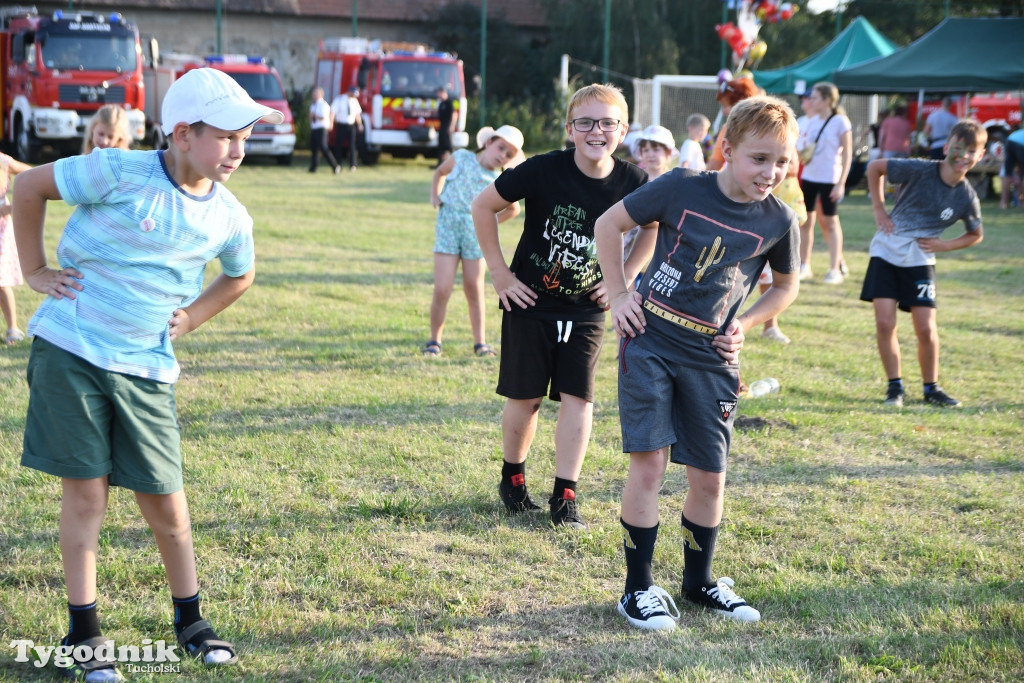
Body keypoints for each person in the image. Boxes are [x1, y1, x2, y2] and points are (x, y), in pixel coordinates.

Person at [12, 66, 281, 680]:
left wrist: (194, 316)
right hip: (72, 350)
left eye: (245, 139)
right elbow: (28, 187)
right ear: (183, 134)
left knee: (166, 502)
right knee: (86, 498)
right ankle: (85, 635)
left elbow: (240, 275)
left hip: (146, 370)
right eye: (227, 137)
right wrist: (33, 271)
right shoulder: (118, 169)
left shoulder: (229, 216)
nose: (238, 151)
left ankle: (191, 620)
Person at [593, 95, 800, 630]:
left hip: (713, 358)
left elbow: (787, 286)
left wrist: (745, 324)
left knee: (710, 476)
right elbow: (608, 226)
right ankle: (636, 590)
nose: (771, 172)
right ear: (726, 149)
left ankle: (699, 582)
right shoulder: (681, 185)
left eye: (782, 161)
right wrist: (619, 294)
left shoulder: (779, 219)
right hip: (650, 340)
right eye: (759, 159)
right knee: (652, 464)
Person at [471, 83, 654, 529]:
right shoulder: (542, 170)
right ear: (570, 128)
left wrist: (621, 280)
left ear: (623, 129)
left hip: (587, 309)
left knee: (579, 397)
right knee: (526, 398)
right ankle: (513, 478)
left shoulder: (634, 181)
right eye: (586, 122)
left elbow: (651, 227)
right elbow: (482, 207)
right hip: (529, 300)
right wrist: (500, 276)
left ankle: (564, 494)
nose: (597, 131)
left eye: (607, 122)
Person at [861, 120, 986, 409]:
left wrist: (945, 245)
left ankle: (931, 388)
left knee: (926, 329)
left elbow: (976, 234)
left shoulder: (967, 196)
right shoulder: (919, 169)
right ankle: (895, 388)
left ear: (980, 156)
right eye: (959, 148)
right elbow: (875, 167)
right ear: (946, 148)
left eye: (971, 151)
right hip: (886, 251)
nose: (964, 156)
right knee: (884, 322)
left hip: (919, 260)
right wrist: (879, 209)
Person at [424, 125, 525, 359]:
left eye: (509, 155)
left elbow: (513, 209)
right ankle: (434, 341)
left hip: (474, 237)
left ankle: (480, 343)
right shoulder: (461, 157)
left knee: (474, 288)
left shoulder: (498, 180)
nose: (502, 155)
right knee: (442, 288)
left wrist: (487, 223)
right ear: (488, 142)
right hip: (448, 229)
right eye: (501, 148)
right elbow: (439, 172)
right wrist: (434, 195)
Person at [797, 82, 852, 284]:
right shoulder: (812, 121)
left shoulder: (840, 121)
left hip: (830, 178)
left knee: (830, 222)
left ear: (828, 100)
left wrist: (841, 183)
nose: (811, 101)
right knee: (806, 222)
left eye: (816, 97)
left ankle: (834, 268)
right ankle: (804, 265)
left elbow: (847, 153)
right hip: (809, 176)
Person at [759, 150, 806, 344]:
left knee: (770, 276)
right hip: (758, 214)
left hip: (777, 220)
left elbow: (794, 168)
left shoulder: (789, 145)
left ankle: (770, 326)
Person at [0, 152, 32, 344]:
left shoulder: (3, 162)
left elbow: (31, 176)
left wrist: (11, 207)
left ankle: (13, 327)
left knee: (1, 281)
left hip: (0, 231)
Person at [706, 78, 759, 172]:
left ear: (740, 103)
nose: (723, 111)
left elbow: (714, 166)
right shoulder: (766, 125)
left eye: (725, 106)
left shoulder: (729, 128)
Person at [308, 87, 340, 174]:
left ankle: (335, 166)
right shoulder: (313, 105)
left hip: (322, 129)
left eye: (315, 93)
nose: (313, 95)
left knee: (324, 147)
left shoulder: (323, 105)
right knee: (314, 148)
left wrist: (314, 115)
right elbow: (310, 116)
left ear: (320, 94)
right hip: (314, 128)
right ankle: (313, 167)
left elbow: (323, 117)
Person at [331, 86, 363, 171]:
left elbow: (357, 114)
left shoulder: (355, 101)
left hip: (351, 125)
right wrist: (331, 123)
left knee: (352, 145)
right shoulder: (339, 99)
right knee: (339, 145)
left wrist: (359, 124)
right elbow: (333, 112)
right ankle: (338, 164)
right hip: (341, 125)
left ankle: (353, 164)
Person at [999, 126, 1024, 210]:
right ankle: (1022, 203)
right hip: (1020, 144)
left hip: (1010, 140)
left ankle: (1004, 203)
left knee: (1007, 174)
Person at [435, 87, 455, 167]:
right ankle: (440, 163)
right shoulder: (441, 103)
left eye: (439, 92)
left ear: (443, 92)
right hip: (442, 126)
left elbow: (454, 115)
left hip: (448, 126)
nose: (437, 94)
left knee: (448, 145)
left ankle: (454, 162)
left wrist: (451, 126)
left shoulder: (449, 102)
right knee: (441, 145)